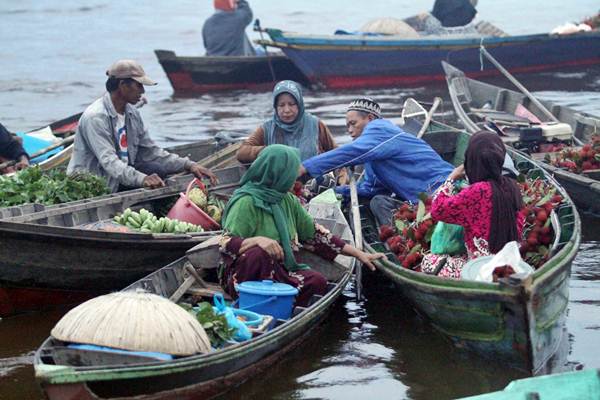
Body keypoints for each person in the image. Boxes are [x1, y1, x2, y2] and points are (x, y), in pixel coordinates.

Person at [220, 145, 385, 307]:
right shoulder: (245, 202)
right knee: (258, 254)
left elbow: (315, 235)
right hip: (245, 275)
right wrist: (257, 240)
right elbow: (226, 243)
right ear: (277, 174)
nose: (296, 178)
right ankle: (261, 301)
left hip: (279, 271)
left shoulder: (288, 200)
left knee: (317, 282)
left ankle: (278, 303)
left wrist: (358, 254)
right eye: (291, 173)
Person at [299, 97, 454, 226]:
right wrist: (334, 191)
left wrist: (305, 167)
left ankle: (401, 243)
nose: (350, 131)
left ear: (370, 119)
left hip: (443, 188)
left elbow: (349, 152)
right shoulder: (374, 152)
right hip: (422, 199)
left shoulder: (379, 129)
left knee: (379, 204)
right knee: (378, 201)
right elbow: (371, 189)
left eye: (353, 124)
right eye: (347, 126)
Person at [67, 59, 217, 193]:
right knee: (149, 177)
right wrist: (142, 179)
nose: (143, 91)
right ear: (123, 85)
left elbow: (150, 151)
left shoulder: (131, 112)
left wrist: (188, 165)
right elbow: (110, 163)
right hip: (98, 182)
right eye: (139, 85)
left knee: (157, 170)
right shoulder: (96, 117)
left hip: (120, 173)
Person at [421, 131, 525, 279]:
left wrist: (451, 178)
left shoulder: (477, 191)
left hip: (482, 270)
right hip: (511, 265)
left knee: (429, 262)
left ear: (471, 161)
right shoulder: (513, 187)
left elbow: (437, 210)